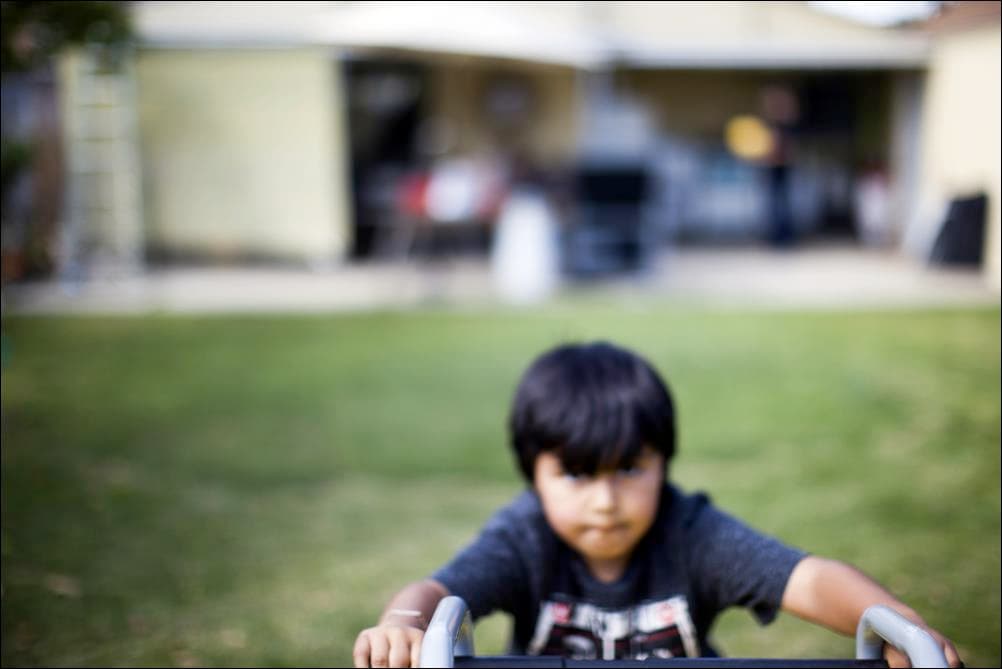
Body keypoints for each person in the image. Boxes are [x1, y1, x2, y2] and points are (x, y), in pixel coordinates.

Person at [352, 342, 961, 668]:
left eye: (630, 468)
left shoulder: (690, 531)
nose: (606, 501)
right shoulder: (525, 536)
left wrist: (899, 624)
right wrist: (401, 628)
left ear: (665, 461)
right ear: (531, 474)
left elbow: (809, 579)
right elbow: (433, 594)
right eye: (575, 474)